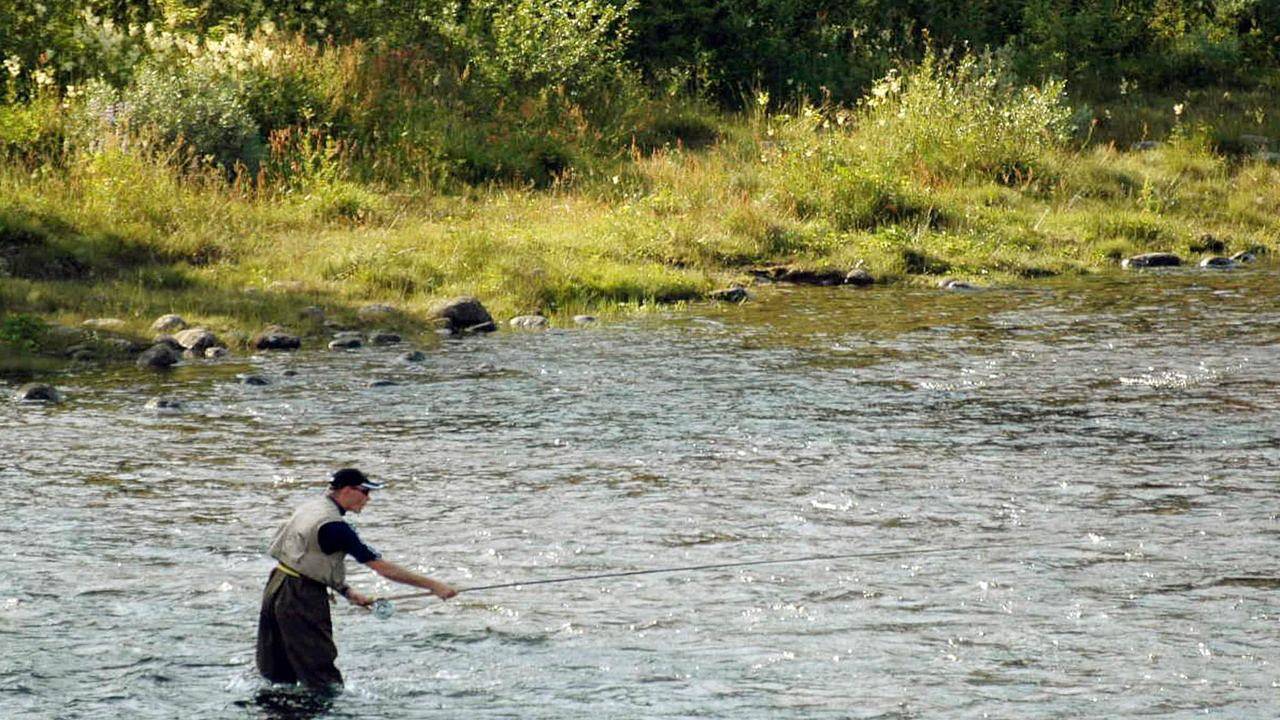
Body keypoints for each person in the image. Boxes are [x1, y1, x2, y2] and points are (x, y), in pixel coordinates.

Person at [256, 468, 457, 689]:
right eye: (365, 492)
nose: (368, 499)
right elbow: (382, 568)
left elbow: (309, 557)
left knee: (277, 668)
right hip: (301, 597)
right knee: (320, 672)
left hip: (277, 585)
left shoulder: (312, 507)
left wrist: (347, 592)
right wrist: (435, 586)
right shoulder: (336, 527)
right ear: (346, 490)